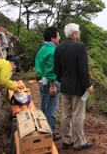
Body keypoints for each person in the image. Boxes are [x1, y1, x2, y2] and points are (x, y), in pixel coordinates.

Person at [54, 23, 94, 151]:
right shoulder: (80, 47)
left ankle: (67, 140)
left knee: (66, 114)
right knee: (78, 114)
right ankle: (79, 142)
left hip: (65, 86)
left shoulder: (59, 48)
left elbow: (57, 69)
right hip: (77, 87)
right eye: (78, 31)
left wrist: (62, 80)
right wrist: (87, 85)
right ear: (74, 34)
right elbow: (83, 69)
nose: (79, 34)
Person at [35, 27, 62, 141]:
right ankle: (50, 132)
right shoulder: (52, 51)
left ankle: (43, 129)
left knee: (44, 107)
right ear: (52, 38)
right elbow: (50, 69)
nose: (59, 38)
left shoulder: (42, 49)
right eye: (58, 36)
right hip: (50, 83)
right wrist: (52, 85)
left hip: (42, 81)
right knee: (51, 109)